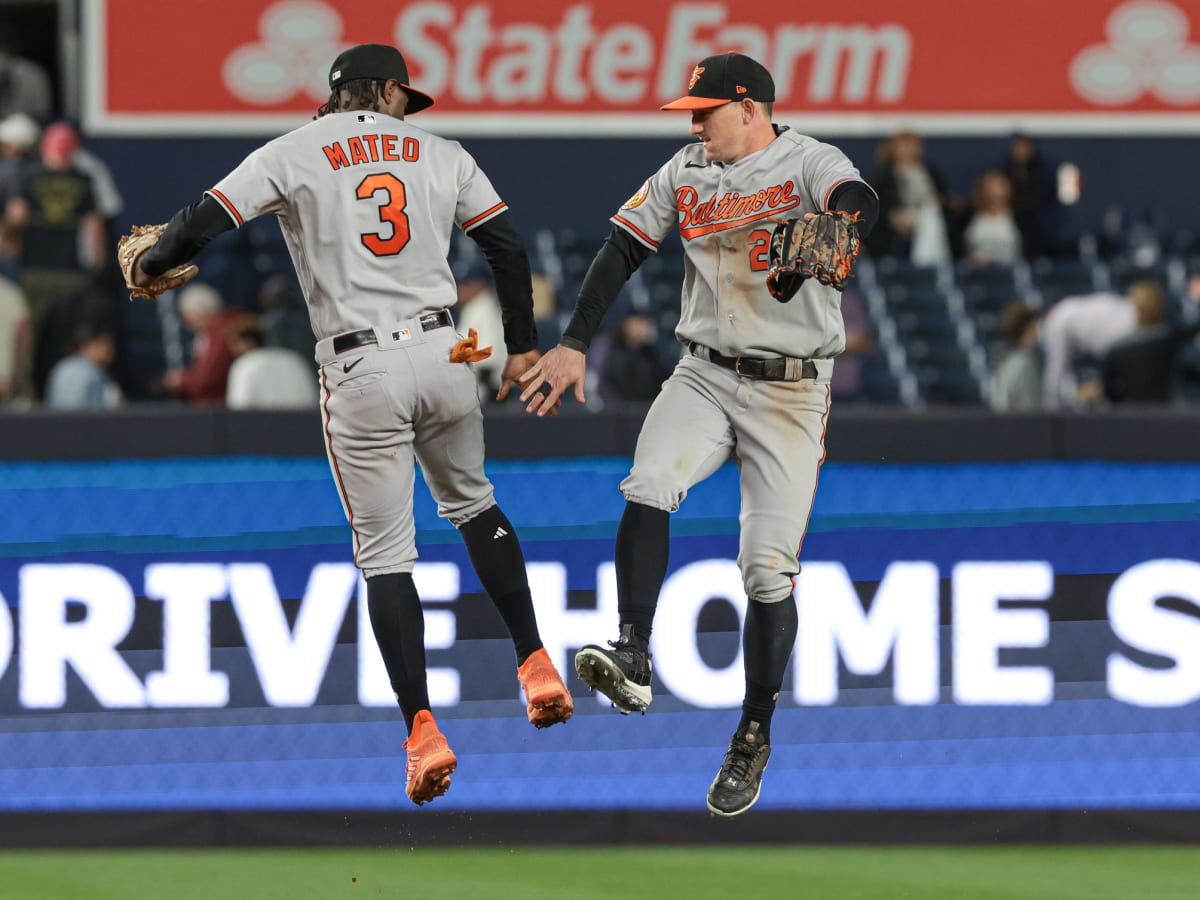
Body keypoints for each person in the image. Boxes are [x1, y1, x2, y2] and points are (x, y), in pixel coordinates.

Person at [125, 43, 572, 806]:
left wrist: (151, 261)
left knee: (386, 557)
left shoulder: (293, 151)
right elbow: (505, 246)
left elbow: (199, 224)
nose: (410, 107)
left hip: (359, 366)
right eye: (408, 96)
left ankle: (423, 729)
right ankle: (533, 659)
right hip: (447, 348)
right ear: (391, 91)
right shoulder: (443, 153)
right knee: (473, 504)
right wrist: (523, 347)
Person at [516, 52, 879, 817]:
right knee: (649, 481)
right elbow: (622, 248)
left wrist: (841, 222)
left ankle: (753, 731)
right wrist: (576, 341)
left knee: (765, 571)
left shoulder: (807, 158)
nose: (693, 122)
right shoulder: (685, 171)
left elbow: (854, 196)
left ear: (750, 108)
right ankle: (634, 653)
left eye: (706, 109)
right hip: (705, 371)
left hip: (790, 389)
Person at [5, 121, 105, 326]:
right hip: (68, 271)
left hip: (35, 269)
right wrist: (96, 267)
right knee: (68, 333)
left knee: (33, 332)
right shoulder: (83, 180)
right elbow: (94, 230)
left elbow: (15, 217)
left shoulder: (26, 176)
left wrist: (11, 257)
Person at [1040, 281, 1158, 411]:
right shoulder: (1126, 323)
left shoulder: (1130, 320)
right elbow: (1055, 374)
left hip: (1093, 326)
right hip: (1070, 322)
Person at [1101, 275, 1200, 405]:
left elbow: (1110, 394)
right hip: (1169, 417)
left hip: (1131, 418)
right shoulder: (1171, 341)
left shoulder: (1116, 350)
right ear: (1162, 306)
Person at [864, 130, 954, 264]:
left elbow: (945, 197)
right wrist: (891, 217)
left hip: (928, 213)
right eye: (905, 145)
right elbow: (871, 204)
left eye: (914, 145)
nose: (909, 150)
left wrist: (941, 201)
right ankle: (929, 266)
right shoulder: (884, 173)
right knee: (929, 220)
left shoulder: (928, 170)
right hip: (897, 218)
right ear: (894, 148)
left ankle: (926, 264)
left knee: (930, 218)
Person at [163, 282, 245, 405]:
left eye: (188, 316)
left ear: (201, 312)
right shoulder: (220, 328)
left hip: (219, 406)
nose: (187, 323)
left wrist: (180, 380)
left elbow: (209, 378)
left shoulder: (221, 331)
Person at [225, 315, 318, 409]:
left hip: (259, 422)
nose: (233, 349)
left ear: (249, 341)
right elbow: (312, 399)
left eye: (236, 343)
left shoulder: (243, 365)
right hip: (303, 421)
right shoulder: (296, 360)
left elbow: (239, 408)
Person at [451, 253, 508, 400]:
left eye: (467, 283)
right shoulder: (473, 308)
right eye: (458, 283)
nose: (461, 288)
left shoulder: (485, 309)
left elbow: (488, 362)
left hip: (487, 394)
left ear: (481, 284)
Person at [43, 322, 122, 410]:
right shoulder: (95, 373)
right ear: (91, 344)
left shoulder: (60, 366)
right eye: (108, 344)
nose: (112, 350)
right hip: (83, 422)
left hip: (54, 423)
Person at [962, 169, 1023, 267]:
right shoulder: (968, 216)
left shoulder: (1022, 217)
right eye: (991, 187)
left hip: (1011, 275)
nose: (996, 193)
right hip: (975, 275)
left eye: (1000, 186)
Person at [989, 300, 1041, 412]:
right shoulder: (1023, 363)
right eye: (1034, 326)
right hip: (1023, 424)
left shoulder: (1005, 360)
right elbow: (1030, 407)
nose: (1037, 331)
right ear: (1025, 330)